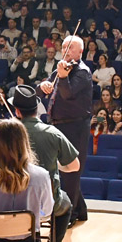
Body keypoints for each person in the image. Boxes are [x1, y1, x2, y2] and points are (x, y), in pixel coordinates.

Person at [10, 86, 79, 242]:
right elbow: (74, 166)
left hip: (13, 200)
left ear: (17, 111)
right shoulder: (52, 133)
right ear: (37, 109)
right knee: (65, 204)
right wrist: (56, 165)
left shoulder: (7, 135)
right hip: (45, 202)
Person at [39, 35, 93, 225]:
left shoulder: (83, 72)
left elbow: (67, 94)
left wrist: (62, 77)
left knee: (71, 170)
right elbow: (42, 91)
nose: (66, 50)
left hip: (75, 126)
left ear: (80, 52)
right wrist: (42, 86)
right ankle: (80, 210)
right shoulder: (60, 69)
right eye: (63, 47)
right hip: (58, 124)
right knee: (61, 170)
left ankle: (68, 215)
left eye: (70, 48)